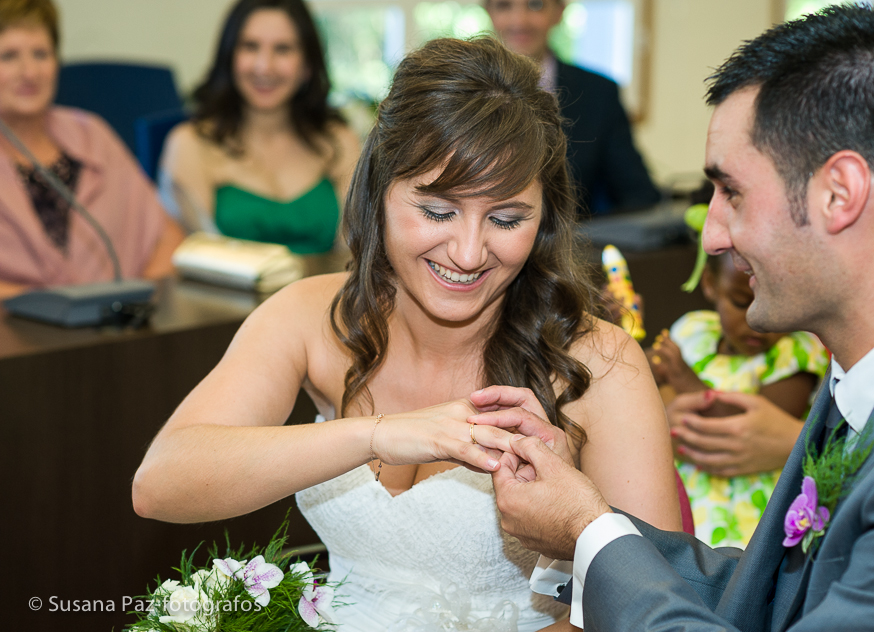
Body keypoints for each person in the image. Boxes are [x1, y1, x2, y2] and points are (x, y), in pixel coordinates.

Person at [133, 36, 681, 632]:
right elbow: (161, 483)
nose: (469, 253)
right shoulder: (310, 317)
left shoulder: (598, 362)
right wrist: (378, 435)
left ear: (545, 217)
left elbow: (654, 609)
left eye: (506, 219)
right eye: (439, 212)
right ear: (379, 191)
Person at [485, 6, 874, 630]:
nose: (711, 236)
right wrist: (587, 530)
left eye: (731, 191)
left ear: (840, 194)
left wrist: (587, 529)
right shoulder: (863, 379)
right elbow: (776, 597)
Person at [0, 0, 183, 299]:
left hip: (119, 333)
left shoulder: (91, 133)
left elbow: (166, 237)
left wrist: (138, 304)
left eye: (41, 54)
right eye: (8, 56)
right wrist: (49, 310)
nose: (29, 72)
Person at [646, 247, 828, 548]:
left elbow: (753, 425)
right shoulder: (693, 332)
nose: (757, 319)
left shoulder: (794, 351)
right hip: (690, 507)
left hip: (755, 514)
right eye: (741, 302)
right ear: (710, 284)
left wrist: (685, 382)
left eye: (775, 301)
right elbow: (649, 371)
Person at [159, 0, 360, 254]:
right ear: (229, 56)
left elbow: (358, 256)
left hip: (327, 293)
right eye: (250, 47)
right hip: (221, 294)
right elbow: (195, 261)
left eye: (283, 49)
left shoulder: (340, 141)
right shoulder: (189, 144)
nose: (264, 66)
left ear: (307, 65)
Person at [484, 0, 660, 217]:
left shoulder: (598, 92)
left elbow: (639, 194)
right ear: (488, 12)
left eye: (536, 5)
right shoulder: (460, 91)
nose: (520, 21)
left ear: (559, 12)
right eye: (503, 6)